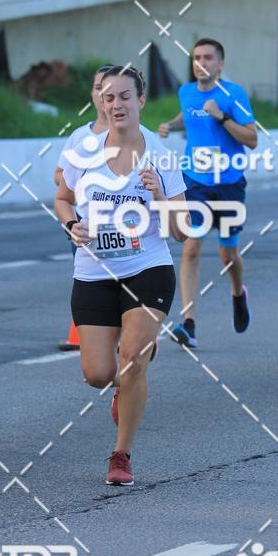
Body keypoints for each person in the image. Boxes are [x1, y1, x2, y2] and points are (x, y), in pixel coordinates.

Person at [56, 66, 188, 486]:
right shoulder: (83, 152)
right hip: (93, 272)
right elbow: (62, 198)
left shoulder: (162, 157)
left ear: (141, 100)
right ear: (101, 101)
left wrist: (160, 196)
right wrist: (71, 225)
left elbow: (181, 231)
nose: (117, 104)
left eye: (125, 96)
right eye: (109, 97)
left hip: (147, 267)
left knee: (132, 360)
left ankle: (121, 455)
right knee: (97, 373)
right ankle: (127, 383)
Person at [159, 39, 257, 348]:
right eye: (197, 58)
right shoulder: (186, 92)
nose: (201, 63)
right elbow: (187, 115)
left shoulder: (233, 94)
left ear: (220, 63)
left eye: (208, 58)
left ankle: (238, 293)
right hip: (195, 182)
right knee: (191, 248)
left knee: (228, 254)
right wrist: (171, 125)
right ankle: (189, 324)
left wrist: (222, 117)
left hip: (228, 184)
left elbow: (252, 139)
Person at [54, 65, 111, 351]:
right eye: (98, 88)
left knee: (124, 277)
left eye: (109, 89)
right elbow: (59, 176)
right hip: (86, 222)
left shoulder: (135, 135)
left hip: (127, 221)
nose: (103, 94)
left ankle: (132, 333)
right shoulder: (79, 136)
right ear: (92, 94)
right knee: (87, 277)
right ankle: (85, 336)